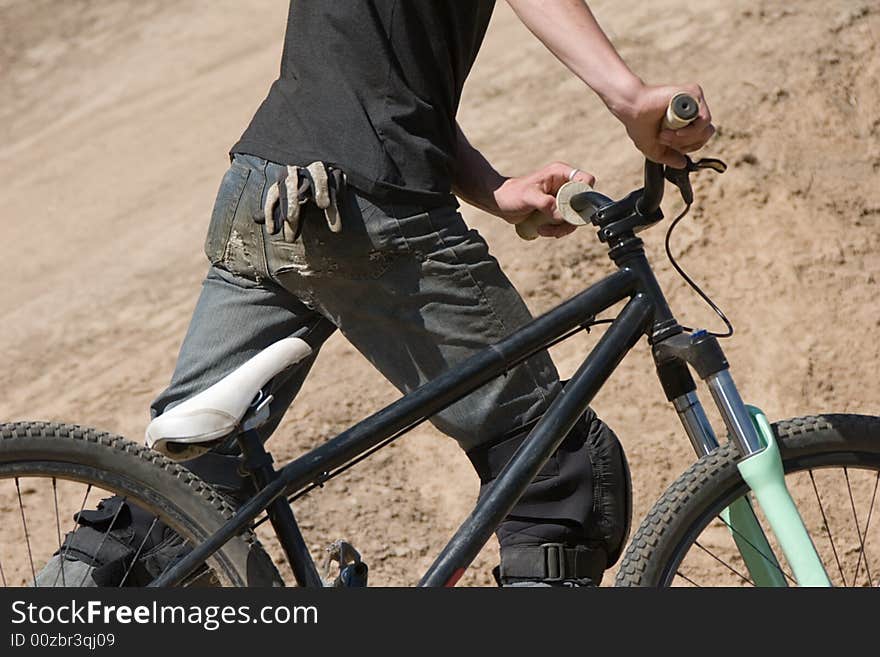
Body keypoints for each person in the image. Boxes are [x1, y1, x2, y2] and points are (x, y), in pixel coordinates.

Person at [38, 0, 713, 587]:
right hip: (360, 208)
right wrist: (627, 95)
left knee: (176, 499)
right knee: (554, 471)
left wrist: (492, 189)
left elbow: (376, 72)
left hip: (263, 191)